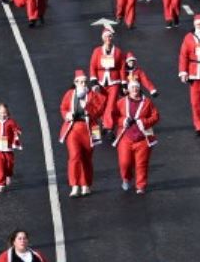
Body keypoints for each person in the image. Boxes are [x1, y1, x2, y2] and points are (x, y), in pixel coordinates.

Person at [59, 68, 105, 196]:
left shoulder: (92, 95)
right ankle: (74, 186)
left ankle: (86, 185)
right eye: (80, 82)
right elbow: (63, 107)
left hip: (90, 128)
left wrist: (88, 107)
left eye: (85, 82)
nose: (83, 84)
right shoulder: (70, 94)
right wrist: (67, 115)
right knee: (74, 156)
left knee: (87, 158)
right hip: (73, 128)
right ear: (75, 83)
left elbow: (99, 111)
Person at [111, 80, 160, 194]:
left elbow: (155, 116)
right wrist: (123, 121)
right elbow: (114, 116)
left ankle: (140, 186)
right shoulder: (121, 102)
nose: (134, 89)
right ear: (128, 89)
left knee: (141, 163)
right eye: (132, 87)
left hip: (143, 138)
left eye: (136, 87)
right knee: (125, 163)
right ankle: (126, 178)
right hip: (125, 138)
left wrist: (144, 122)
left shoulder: (147, 102)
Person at [0, 103, 23, 192]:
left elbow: (17, 129)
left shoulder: (11, 122)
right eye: (1, 112)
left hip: (8, 149)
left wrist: (18, 132)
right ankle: (0, 184)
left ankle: (8, 175)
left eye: (5, 113)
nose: (3, 114)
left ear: (8, 113)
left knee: (9, 165)